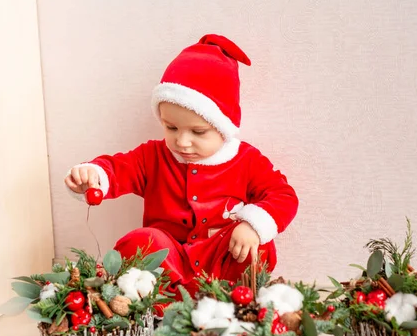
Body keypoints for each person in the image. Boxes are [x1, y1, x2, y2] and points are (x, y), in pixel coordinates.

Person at [65, 34, 298, 297]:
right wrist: (93, 175)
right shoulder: (153, 155)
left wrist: (252, 225)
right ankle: (160, 300)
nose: (182, 142)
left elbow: (283, 195)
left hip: (220, 262)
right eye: (171, 127)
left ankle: (235, 298)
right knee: (140, 241)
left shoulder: (246, 160)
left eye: (198, 132)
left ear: (223, 126)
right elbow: (118, 168)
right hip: (169, 260)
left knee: (259, 244)